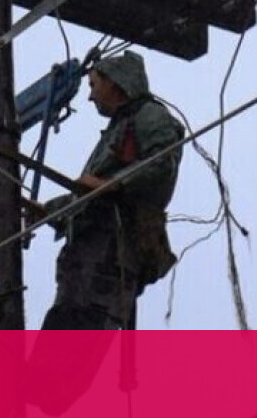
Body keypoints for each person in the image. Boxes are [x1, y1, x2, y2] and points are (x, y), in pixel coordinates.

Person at [30, 50, 184, 330]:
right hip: (85, 271)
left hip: (106, 262)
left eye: (93, 85)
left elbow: (162, 164)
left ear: (115, 82)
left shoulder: (149, 115)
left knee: (75, 334)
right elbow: (89, 195)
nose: (90, 96)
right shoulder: (118, 128)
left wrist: (113, 184)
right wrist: (49, 211)